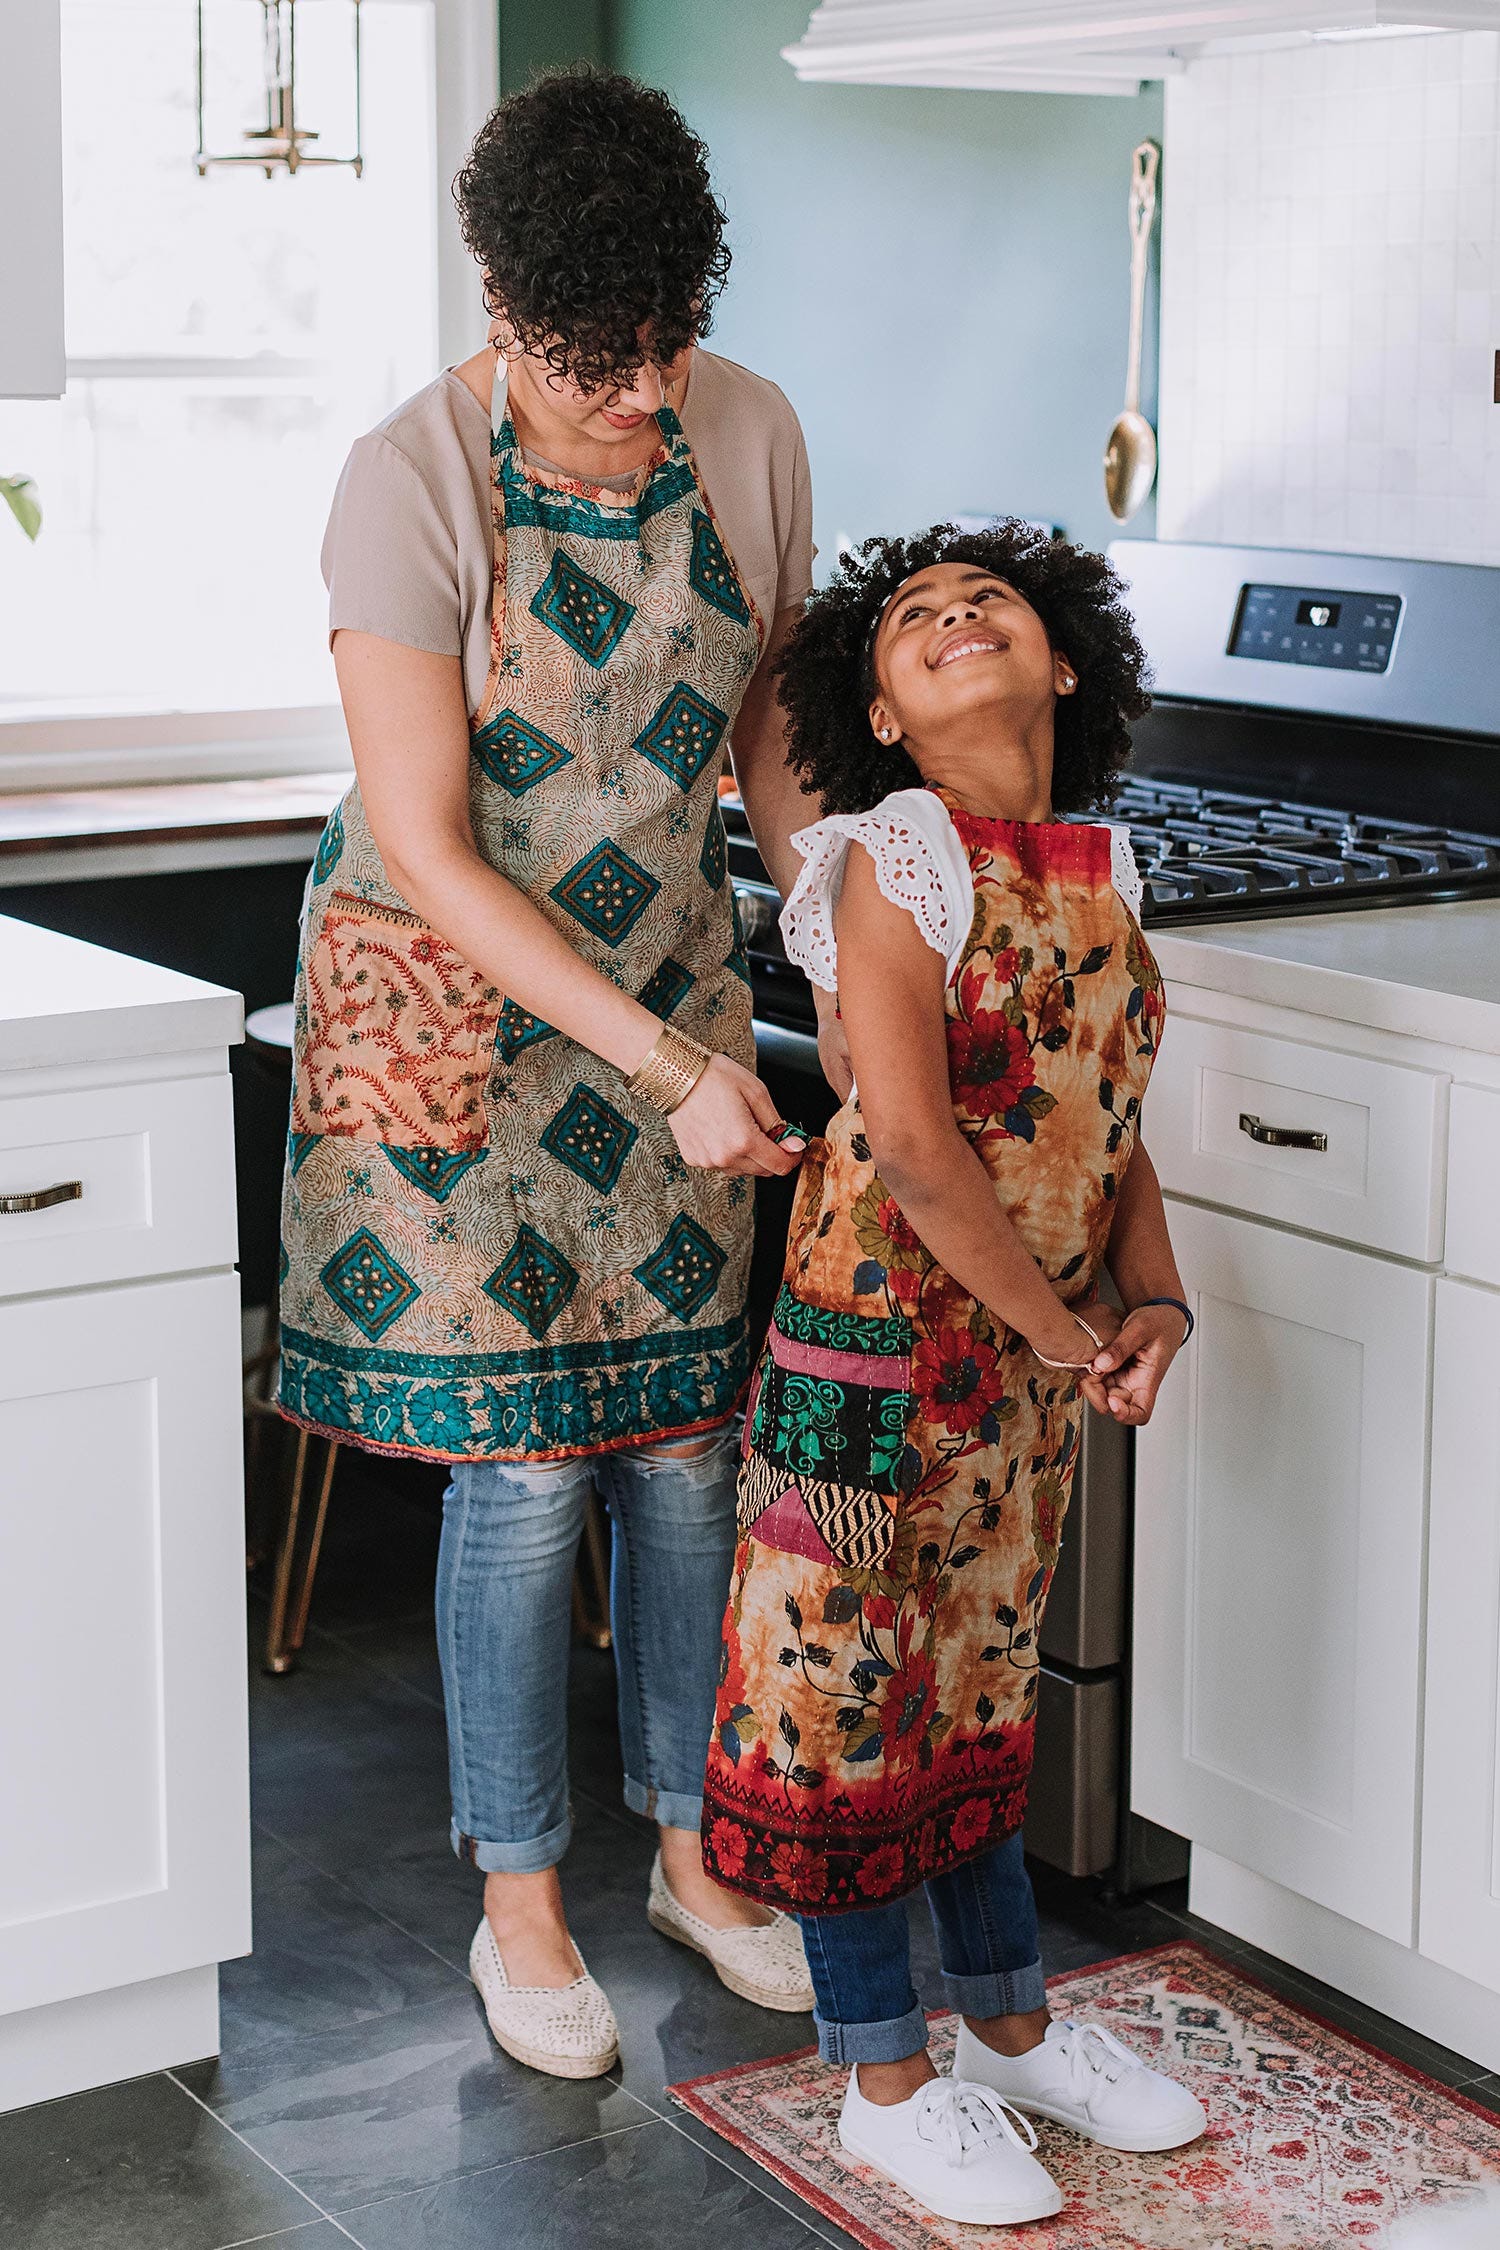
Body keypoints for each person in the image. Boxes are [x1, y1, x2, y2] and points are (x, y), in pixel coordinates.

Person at [278, 68, 838, 2080]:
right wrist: (668, 1062)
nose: (640, 391)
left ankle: (696, 1854)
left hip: (669, 974)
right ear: (503, 306)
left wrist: (846, 944)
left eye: (666, 340)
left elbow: (772, 744)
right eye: (592, 357)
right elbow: (432, 844)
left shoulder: (750, 430)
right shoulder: (407, 475)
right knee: (523, 1473)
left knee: (684, 1447)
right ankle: (518, 1903)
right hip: (460, 1013)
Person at [699, 522, 1207, 2224]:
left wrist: (1154, 1295)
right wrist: (1069, 1332)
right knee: (837, 1698)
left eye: (989, 598)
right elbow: (913, 1141)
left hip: (1013, 1367)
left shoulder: (1103, 867)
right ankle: (884, 2078)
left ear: (1064, 662)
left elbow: (1102, 1118)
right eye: (912, 616)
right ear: (884, 716)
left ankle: (1009, 2028)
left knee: (977, 1683)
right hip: (867, 1353)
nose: (956, 614)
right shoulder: (895, 849)